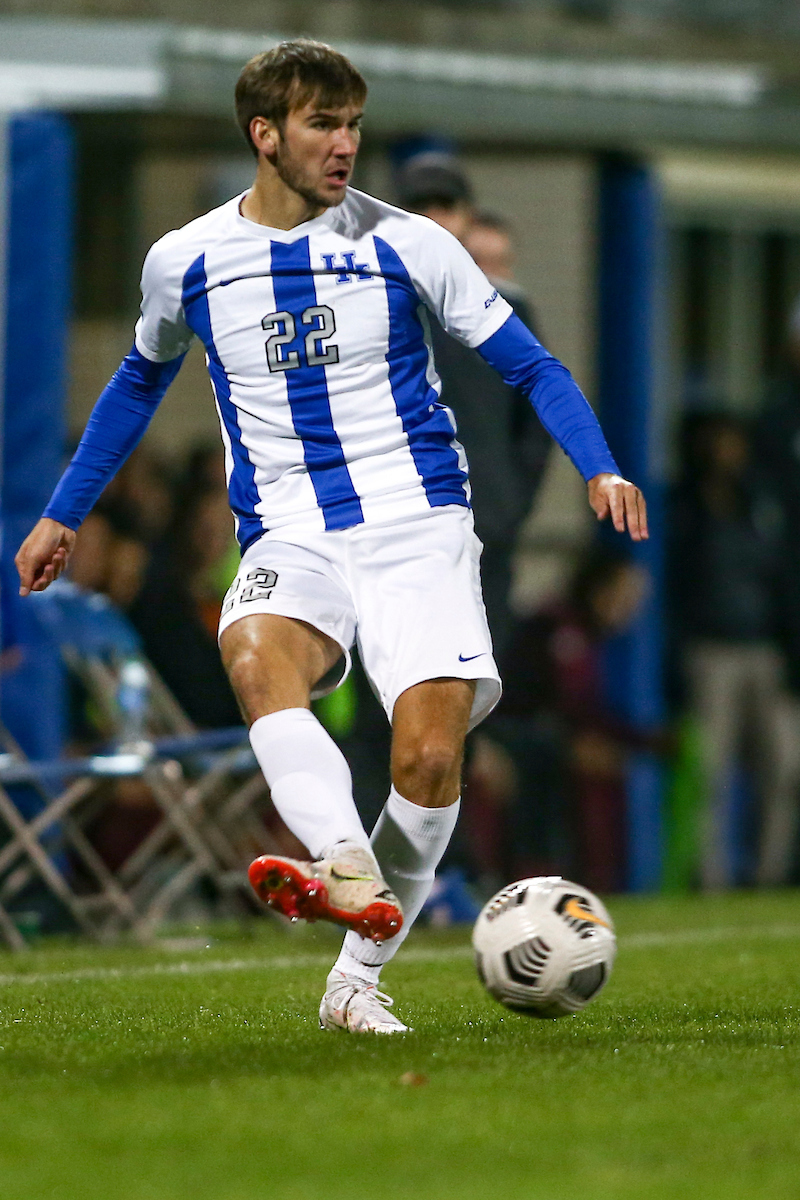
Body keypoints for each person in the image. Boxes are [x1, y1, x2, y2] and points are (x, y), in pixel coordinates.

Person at [15, 40, 646, 1034]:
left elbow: (532, 367)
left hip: (418, 528)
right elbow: (138, 381)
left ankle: (353, 982)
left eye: (352, 124)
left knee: (428, 763)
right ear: (264, 136)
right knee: (257, 658)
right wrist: (63, 510)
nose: (344, 143)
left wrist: (598, 463)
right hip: (290, 533)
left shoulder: (408, 245)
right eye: (322, 124)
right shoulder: (185, 260)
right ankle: (344, 863)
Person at [396, 160, 551, 658]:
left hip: (483, 528)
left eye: (447, 206)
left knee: (480, 669)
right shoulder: (376, 301)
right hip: (399, 530)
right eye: (422, 207)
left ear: (466, 217)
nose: (436, 218)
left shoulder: (505, 311)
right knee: (397, 671)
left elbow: (537, 414)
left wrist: (508, 505)